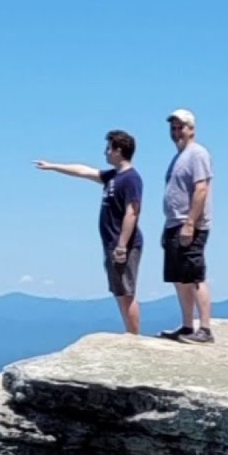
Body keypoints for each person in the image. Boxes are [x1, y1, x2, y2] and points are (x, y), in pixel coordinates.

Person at [35, 130, 144, 334]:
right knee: (120, 291)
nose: (105, 153)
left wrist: (122, 245)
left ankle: (134, 337)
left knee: (126, 292)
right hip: (112, 243)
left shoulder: (131, 178)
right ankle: (130, 334)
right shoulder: (113, 176)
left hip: (123, 245)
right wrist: (53, 166)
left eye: (108, 148)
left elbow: (133, 212)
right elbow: (83, 171)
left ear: (118, 151)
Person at [157, 108, 215, 344]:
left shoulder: (197, 154)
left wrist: (190, 222)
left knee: (194, 275)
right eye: (173, 128)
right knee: (179, 278)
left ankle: (205, 329)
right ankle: (187, 325)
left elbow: (201, 189)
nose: (176, 132)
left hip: (191, 224)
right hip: (175, 223)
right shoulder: (179, 157)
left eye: (180, 127)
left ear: (192, 129)